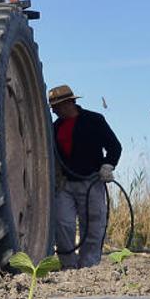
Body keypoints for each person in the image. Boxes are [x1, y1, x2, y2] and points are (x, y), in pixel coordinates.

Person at [49, 84, 121, 269]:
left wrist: (107, 165)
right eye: (53, 107)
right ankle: (68, 267)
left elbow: (114, 146)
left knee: (93, 225)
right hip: (65, 185)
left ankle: (88, 266)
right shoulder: (54, 127)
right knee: (63, 224)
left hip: (91, 182)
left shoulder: (94, 120)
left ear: (70, 102)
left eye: (57, 106)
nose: (55, 110)